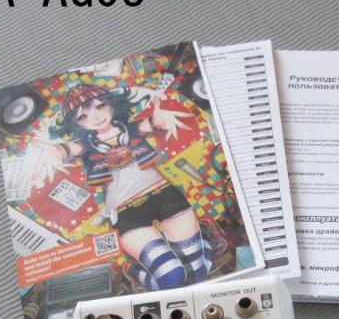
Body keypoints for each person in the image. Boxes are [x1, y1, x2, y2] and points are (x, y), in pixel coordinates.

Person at [37, 84, 213, 290]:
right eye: (83, 117)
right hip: (126, 212)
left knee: (199, 274)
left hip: (164, 196)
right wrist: (55, 151)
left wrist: (159, 119)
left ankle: (201, 241)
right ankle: (137, 272)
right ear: (77, 124)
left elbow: (150, 123)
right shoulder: (86, 145)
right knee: (173, 278)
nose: (95, 117)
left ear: (111, 103)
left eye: (100, 106)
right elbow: (69, 148)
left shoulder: (129, 129)